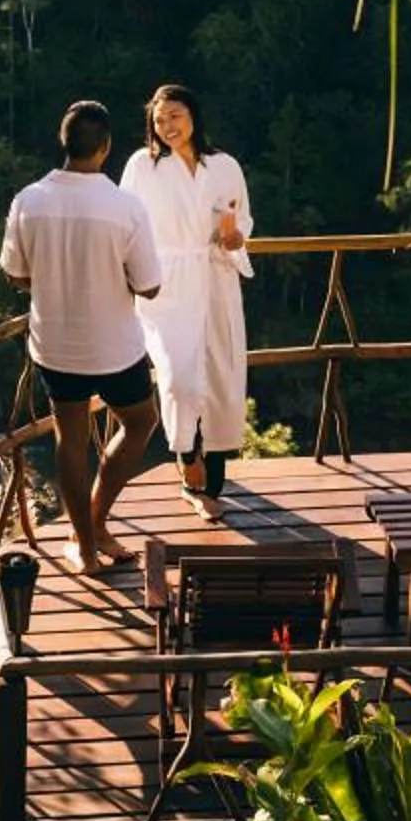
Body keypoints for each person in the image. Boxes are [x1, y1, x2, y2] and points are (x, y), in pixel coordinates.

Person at [0, 99, 164, 572]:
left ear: (64, 141)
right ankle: (93, 520)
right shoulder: (125, 207)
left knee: (70, 441)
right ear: (107, 147)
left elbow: (15, 273)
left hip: (56, 345)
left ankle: (87, 548)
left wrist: (55, 277)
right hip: (115, 348)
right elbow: (149, 284)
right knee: (139, 423)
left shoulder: (29, 200)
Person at [120, 83, 253, 517]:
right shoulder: (143, 166)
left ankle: (211, 483)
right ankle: (185, 458)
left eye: (174, 115)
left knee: (219, 375)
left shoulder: (225, 165)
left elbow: (242, 218)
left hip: (215, 277)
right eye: (159, 120)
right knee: (178, 378)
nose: (167, 127)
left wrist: (235, 236)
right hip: (167, 283)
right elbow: (125, 223)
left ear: (193, 115)